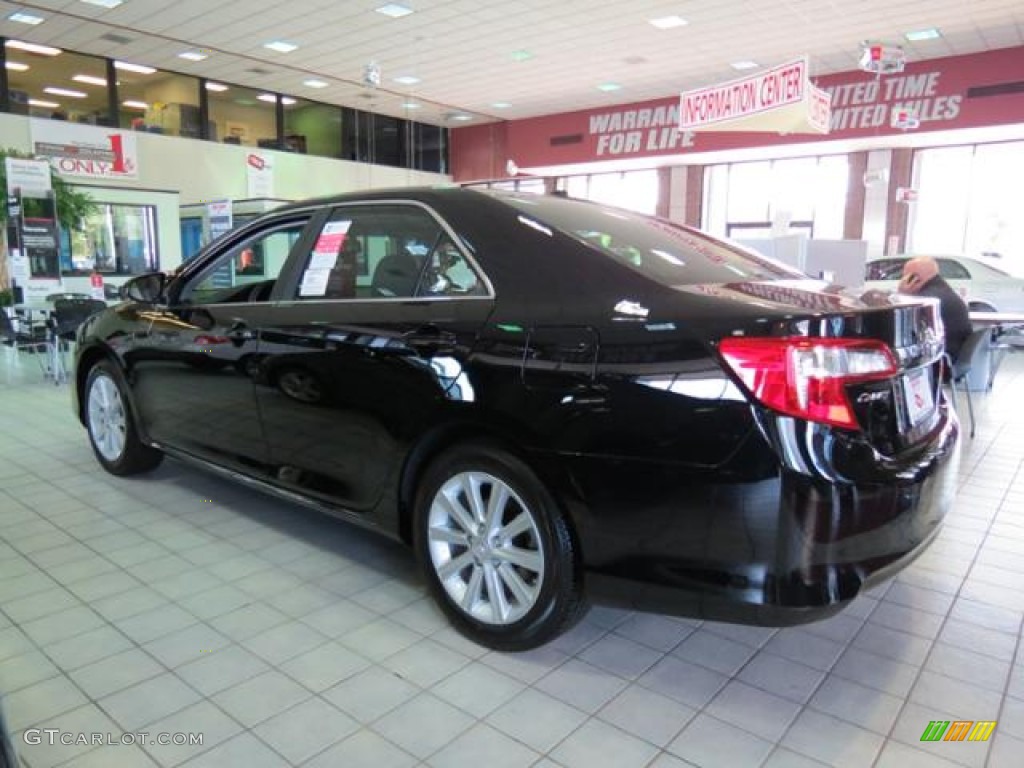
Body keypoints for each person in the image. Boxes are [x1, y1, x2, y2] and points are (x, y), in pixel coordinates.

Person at [898, 256, 972, 361]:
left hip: (942, 359)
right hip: (955, 352)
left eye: (904, 276)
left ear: (914, 279)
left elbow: (906, 329)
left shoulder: (927, 300)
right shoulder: (942, 290)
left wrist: (902, 295)